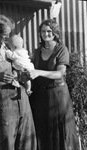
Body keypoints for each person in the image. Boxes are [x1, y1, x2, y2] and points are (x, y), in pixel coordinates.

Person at [0, 14, 37, 150]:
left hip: (22, 100)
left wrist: (24, 76)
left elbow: (18, 71)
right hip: (3, 106)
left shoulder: (9, 48)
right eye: (5, 35)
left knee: (28, 143)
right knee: (6, 145)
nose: (8, 38)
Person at [29, 19, 80, 150]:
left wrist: (38, 72)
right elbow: (32, 72)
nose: (45, 34)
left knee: (60, 131)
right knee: (43, 130)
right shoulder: (37, 51)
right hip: (40, 97)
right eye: (43, 31)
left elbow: (59, 74)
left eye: (49, 31)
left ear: (55, 32)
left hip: (58, 95)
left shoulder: (61, 49)